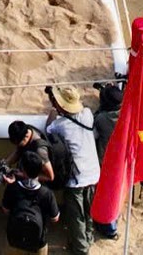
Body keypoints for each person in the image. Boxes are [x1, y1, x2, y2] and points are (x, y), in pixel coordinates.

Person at [42, 86, 101, 255]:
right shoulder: (87, 114)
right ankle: (87, 239)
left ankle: (81, 250)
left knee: (77, 216)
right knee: (89, 211)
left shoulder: (60, 125)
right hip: (93, 172)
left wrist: (54, 110)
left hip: (76, 178)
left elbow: (48, 128)